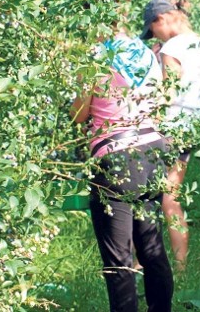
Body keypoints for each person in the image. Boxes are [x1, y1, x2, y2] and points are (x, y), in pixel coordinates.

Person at [70, 25, 173, 311]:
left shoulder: (96, 59)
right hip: (152, 149)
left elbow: (79, 114)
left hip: (115, 157)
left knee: (119, 260)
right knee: (152, 248)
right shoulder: (148, 54)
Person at [139, 0, 200, 268]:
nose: (152, 35)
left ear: (162, 19)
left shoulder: (172, 48)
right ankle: (181, 265)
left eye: (152, 29)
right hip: (190, 127)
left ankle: (138, 264)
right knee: (171, 197)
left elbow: (166, 93)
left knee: (144, 197)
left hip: (166, 128)